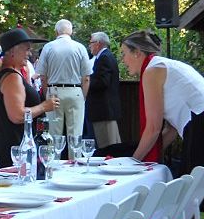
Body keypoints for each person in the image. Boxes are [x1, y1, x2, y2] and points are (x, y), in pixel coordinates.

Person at [121, 30, 204, 174]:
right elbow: (171, 129)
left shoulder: (153, 70)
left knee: (194, 188)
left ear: (137, 53)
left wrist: (132, 164)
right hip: (196, 122)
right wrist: (150, 159)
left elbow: (153, 128)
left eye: (124, 53)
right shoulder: (161, 65)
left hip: (199, 123)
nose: (123, 60)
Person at [0, 28, 59, 167]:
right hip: (13, 150)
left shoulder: (10, 73)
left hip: (10, 147)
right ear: (12, 51)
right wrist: (45, 106)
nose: (29, 53)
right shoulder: (12, 77)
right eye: (26, 49)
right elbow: (18, 115)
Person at [36, 19, 92, 159]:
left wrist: (46, 93)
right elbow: (86, 77)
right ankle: (76, 165)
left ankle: (53, 165)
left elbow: (43, 76)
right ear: (71, 31)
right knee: (75, 135)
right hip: (75, 91)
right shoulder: (80, 47)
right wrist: (82, 97)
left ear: (56, 32)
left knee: (54, 135)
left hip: (54, 91)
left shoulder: (48, 47)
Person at [87, 32, 122, 149]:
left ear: (98, 44)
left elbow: (103, 82)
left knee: (107, 147)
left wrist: (86, 81)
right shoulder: (105, 56)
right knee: (111, 144)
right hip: (106, 110)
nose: (89, 46)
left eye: (91, 43)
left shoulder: (104, 57)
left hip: (103, 110)